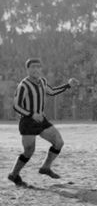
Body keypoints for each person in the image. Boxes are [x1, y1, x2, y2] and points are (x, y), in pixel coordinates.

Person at [8, 58, 79, 186]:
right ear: (28, 69)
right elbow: (16, 106)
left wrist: (68, 85)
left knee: (59, 142)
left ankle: (45, 167)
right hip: (28, 122)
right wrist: (32, 114)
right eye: (32, 67)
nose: (36, 69)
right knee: (29, 151)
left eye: (38, 67)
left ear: (41, 69)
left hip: (41, 120)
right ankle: (14, 175)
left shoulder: (42, 81)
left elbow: (51, 92)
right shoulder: (23, 85)